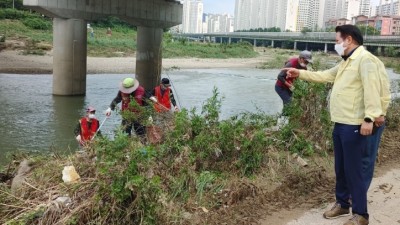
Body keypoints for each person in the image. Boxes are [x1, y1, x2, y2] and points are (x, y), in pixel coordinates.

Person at [283, 25, 390, 225]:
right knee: (340, 167)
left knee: (354, 169)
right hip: (340, 122)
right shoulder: (347, 62)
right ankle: (342, 204)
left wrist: (369, 118)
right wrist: (299, 73)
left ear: (348, 40)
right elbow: (325, 76)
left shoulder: (365, 60)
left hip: (355, 123)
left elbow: (373, 89)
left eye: (337, 40)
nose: (336, 44)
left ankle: (360, 215)